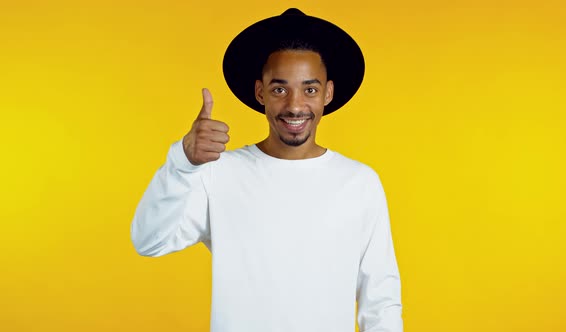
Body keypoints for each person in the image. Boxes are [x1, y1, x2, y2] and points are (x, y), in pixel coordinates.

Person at [131, 8, 403, 332]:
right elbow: (148, 241)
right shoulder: (218, 173)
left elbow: (380, 298)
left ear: (328, 93)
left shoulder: (359, 183)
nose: (295, 105)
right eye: (279, 89)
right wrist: (183, 163)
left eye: (310, 89)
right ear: (260, 92)